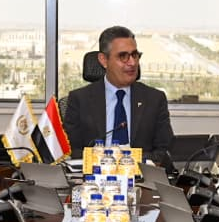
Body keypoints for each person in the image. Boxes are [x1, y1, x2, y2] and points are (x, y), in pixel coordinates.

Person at [61, 26, 174, 156]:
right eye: (123, 56)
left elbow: (164, 150)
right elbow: (72, 151)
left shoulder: (155, 99)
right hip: (95, 167)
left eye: (135, 55)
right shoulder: (79, 100)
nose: (132, 63)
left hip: (140, 168)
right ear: (104, 60)